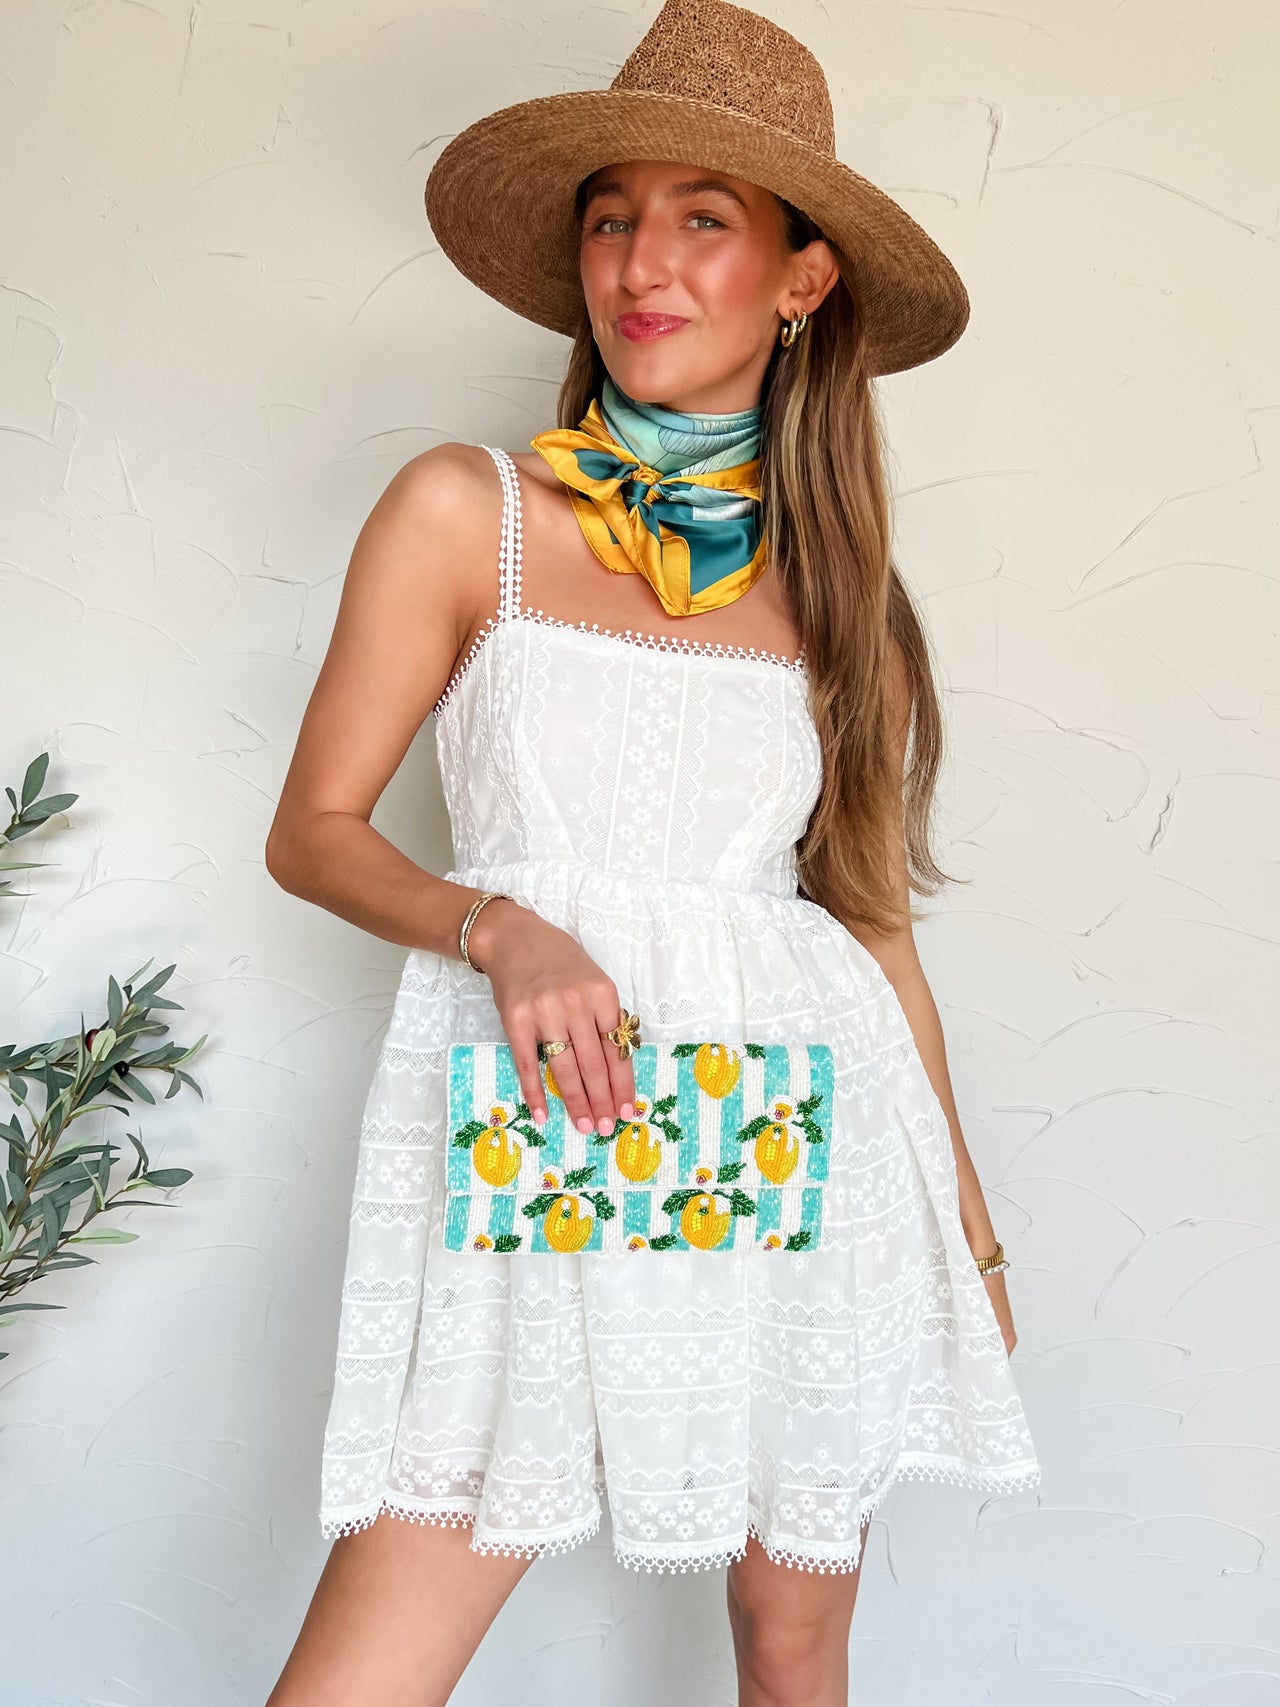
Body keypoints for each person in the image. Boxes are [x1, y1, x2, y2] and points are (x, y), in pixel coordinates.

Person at [263, 1, 1042, 1702]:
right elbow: (312, 835)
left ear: (802, 278)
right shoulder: (468, 515)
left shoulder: (851, 609)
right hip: (558, 1111)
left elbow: (871, 932)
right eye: (613, 216)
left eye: (706, 220)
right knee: (374, 1651)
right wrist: (502, 926)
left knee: (789, 1640)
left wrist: (968, 1237)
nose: (641, 264)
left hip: (797, 1125)